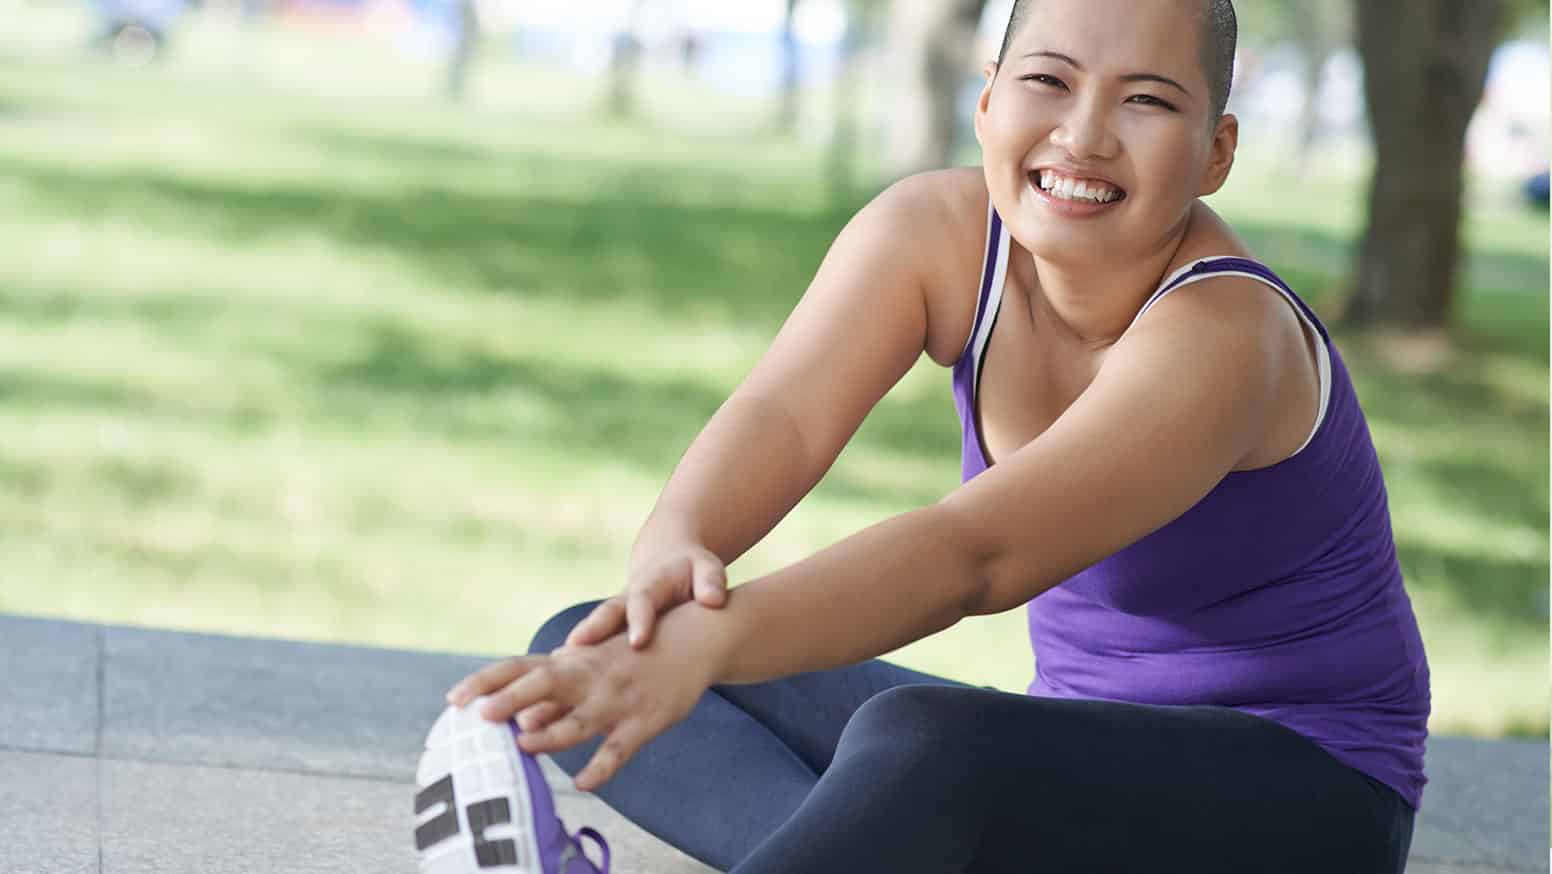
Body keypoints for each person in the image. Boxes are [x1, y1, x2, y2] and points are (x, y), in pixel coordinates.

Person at [424, 0, 1429, 871]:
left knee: (924, 741)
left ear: (1216, 151)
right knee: (588, 641)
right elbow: (784, 414)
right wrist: (673, 556)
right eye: (1050, 80)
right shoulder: (933, 236)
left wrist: (712, 638)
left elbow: (973, 556)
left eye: (1148, 100)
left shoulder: (1226, 336)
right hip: (1075, 762)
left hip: (1303, 794)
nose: (1083, 135)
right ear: (988, 100)